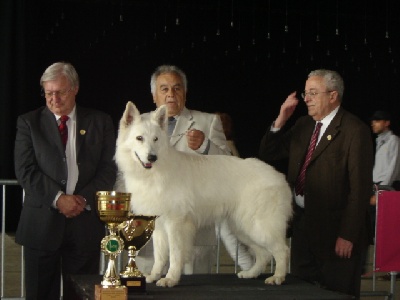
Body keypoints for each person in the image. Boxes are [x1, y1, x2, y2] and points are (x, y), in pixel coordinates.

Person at [259, 69, 373, 299]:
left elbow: (359, 190)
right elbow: (267, 152)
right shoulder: (303, 125)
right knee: (301, 292)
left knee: (336, 293)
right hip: (303, 228)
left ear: (333, 96)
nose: (306, 99)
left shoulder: (354, 130)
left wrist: (348, 234)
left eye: (313, 93)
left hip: (336, 235)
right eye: (305, 93)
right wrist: (281, 118)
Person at [14, 62, 117, 300]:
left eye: (60, 92)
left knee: (81, 295)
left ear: (75, 88)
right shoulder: (28, 123)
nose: (54, 99)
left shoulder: (100, 122)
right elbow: (25, 170)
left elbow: (108, 168)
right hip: (41, 227)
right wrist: (59, 199)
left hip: (84, 226)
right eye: (48, 93)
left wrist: (80, 200)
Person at [135, 64, 244, 275]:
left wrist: (205, 146)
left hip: (195, 237)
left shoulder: (207, 121)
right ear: (153, 95)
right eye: (164, 89)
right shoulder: (138, 125)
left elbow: (231, 165)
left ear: (185, 93)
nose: (170, 94)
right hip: (151, 236)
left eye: (177, 88)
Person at [369, 110, 400, 280]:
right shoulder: (380, 141)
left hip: (386, 188)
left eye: (377, 121)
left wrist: (382, 192)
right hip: (377, 186)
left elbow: (393, 166)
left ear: (386, 122)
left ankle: (394, 271)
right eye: (373, 121)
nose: (373, 124)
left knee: (388, 228)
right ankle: (388, 268)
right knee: (377, 228)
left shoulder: (393, 140)